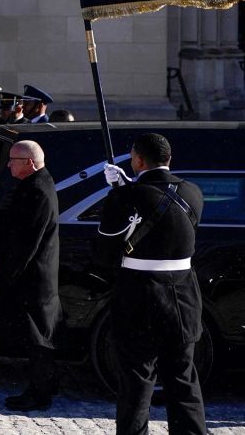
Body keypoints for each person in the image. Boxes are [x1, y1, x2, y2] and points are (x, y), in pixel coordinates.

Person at [98, 134, 206, 435]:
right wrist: (127, 190)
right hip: (183, 295)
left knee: (136, 382)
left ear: (137, 160)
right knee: (183, 379)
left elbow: (106, 251)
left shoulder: (127, 197)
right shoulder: (192, 191)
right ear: (168, 158)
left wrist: (119, 194)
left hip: (139, 295)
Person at [0, 140, 61, 411]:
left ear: (29, 163)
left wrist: (7, 276)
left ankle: (39, 392)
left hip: (32, 280)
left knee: (38, 340)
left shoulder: (37, 192)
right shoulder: (33, 185)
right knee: (37, 337)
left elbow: (26, 242)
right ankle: (43, 385)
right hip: (33, 277)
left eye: (13, 160)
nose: (9, 164)